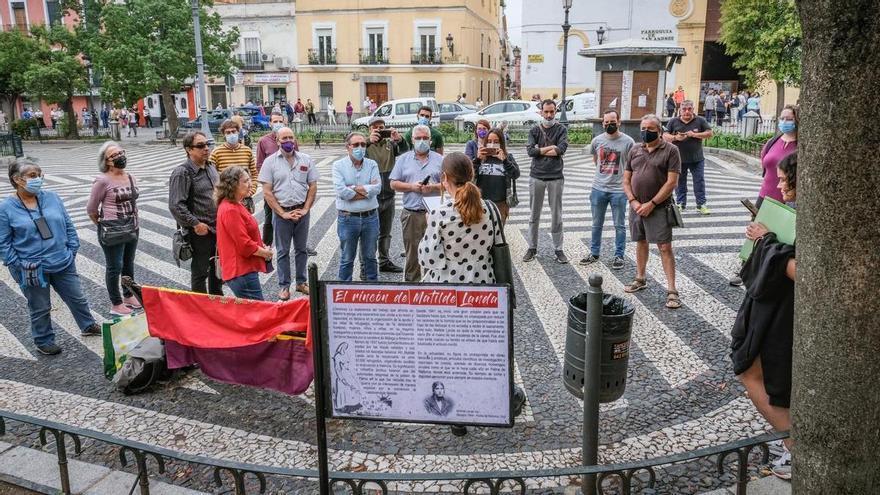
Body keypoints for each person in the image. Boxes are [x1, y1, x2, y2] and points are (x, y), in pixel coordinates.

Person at [730, 152, 797, 480]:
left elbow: (801, 271)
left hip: (782, 310)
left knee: (752, 370)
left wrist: (765, 240)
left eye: (785, 180)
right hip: (772, 304)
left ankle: (795, 448)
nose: (779, 184)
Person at [0, 158, 101, 355]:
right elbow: (3, 242)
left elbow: (68, 224)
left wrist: (72, 248)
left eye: (40, 175)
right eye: (32, 176)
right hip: (31, 267)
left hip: (62, 259)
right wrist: (17, 264)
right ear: (17, 180)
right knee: (40, 306)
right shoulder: (6, 208)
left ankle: (87, 324)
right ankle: (43, 339)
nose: (38, 179)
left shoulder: (52, 197)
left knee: (77, 297)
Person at [623, 114, 682, 309]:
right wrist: (632, 201)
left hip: (658, 207)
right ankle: (640, 278)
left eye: (650, 129)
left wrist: (652, 203)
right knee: (640, 241)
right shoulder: (635, 150)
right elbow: (626, 179)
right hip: (636, 206)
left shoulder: (671, 150)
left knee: (664, 247)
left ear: (659, 131)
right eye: (643, 128)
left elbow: (671, 182)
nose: (645, 132)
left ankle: (672, 290)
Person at [420, 151, 500, 283]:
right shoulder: (491, 208)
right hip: (483, 280)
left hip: (449, 281)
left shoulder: (439, 213)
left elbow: (429, 259)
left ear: (444, 177)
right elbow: (495, 244)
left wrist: (430, 223)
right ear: (472, 174)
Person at [258, 127, 319, 298]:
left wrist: (306, 208)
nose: (288, 141)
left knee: (301, 249)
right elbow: (267, 192)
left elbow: (313, 186)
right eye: (284, 138)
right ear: (277, 141)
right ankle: (284, 286)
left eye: (291, 137)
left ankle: (301, 282)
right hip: (282, 213)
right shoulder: (270, 162)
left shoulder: (306, 159)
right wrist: (282, 213)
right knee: (283, 251)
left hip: (301, 211)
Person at [87, 142, 141, 316]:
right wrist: (104, 225)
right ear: (107, 161)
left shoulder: (130, 176)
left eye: (121, 152)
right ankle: (116, 303)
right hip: (113, 229)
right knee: (114, 266)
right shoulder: (103, 180)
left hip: (132, 226)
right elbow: (92, 209)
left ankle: (128, 294)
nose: (120, 157)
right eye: (114, 155)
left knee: (128, 263)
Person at [168, 131, 223, 295]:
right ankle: (200, 307)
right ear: (188, 149)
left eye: (207, 144)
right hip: (200, 232)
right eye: (200, 146)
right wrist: (195, 224)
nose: (206, 148)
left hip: (217, 228)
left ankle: (217, 301)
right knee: (200, 272)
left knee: (217, 268)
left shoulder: (211, 167)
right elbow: (176, 205)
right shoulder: (182, 172)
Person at [390, 124, 443, 282]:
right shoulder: (403, 159)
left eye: (425, 138)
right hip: (412, 214)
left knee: (435, 251)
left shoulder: (440, 159)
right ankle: (412, 287)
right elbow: (393, 183)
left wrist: (432, 187)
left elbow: (448, 184)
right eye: (418, 138)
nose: (421, 141)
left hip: (434, 214)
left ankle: (433, 285)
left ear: (430, 140)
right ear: (412, 140)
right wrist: (412, 187)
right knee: (412, 254)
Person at [582, 109, 634, 269]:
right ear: (602, 123)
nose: (609, 125)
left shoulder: (628, 142)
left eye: (612, 122)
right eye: (606, 122)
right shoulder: (597, 140)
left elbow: (631, 165)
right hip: (598, 188)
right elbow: (595, 160)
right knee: (596, 223)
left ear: (618, 122)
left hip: (619, 190)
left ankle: (619, 255)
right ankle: (594, 252)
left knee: (619, 225)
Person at [215, 166, 274, 300]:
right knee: (258, 314)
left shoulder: (234, 204)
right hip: (241, 270)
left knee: (251, 313)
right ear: (233, 185)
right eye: (246, 181)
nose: (250, 184)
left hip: (242, 270)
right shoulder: (231, 209)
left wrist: (261, 245)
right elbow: (244, 244)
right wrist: (265, 253)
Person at [523, 99, 569, 264]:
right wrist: (550, 149)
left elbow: (561, 149)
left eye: (552, 111)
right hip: (536, 177)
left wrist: (540, 150)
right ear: (541, 112)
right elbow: (530, 151)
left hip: (556, 177)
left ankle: (558, 249)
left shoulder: (561, 129)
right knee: (533, 215)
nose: (549, 115)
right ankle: (532, 247)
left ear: (555, 111)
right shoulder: (534, 130)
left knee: (557, 215)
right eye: (546, 112)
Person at [333, 132, 381, 281]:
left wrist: (352, 187)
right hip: (348, 218)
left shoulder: (372, 164)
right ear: (348, 147)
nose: (360, 147)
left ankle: (372, 290)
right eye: (356, 145)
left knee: (370, 257)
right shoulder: (338, 165)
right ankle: (343, 292)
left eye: (363, 144)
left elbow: (377, 188)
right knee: (347, 258)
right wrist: (366, 191)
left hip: (370, 217)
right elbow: (342, 192)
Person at [366, 116, 407, 273]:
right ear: (369, 129)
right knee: (370, 233)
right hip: (372, 197)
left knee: (386, 233)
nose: (379, 130)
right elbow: (352, 149)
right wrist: (369, 140)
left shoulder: (390, 144)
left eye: (381, 127)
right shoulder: (365, 145)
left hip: (388, 196)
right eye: (375, 127)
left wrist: (400, 139)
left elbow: (405, 153)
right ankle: (369, 264)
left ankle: (384, 260)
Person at [664, 99, 714, 215]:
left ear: (693, 109)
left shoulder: (700, 120)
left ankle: (701, 204)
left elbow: (710, 133)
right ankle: (681, 203)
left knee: (699, 181)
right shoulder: (673, 121)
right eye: (684, 109)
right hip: (678, 159)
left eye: (689, 109)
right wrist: (676, 138)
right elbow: (665, 135)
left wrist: (695, 135)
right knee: (680, 182)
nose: (687, 112)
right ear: (680, 110)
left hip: (697, 159)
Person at [472, 128, 519, 225]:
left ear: (501, 143)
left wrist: (505, 161)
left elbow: (515, 174)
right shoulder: (482, 158)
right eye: (489, 141)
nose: (492, 144)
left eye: (496, 141)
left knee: (498, 233)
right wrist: (477, 160)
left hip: (500, 203)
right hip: (481, 202)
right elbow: (469, 176)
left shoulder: (508, 157)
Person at [210, 119, 258, 211]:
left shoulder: (247, 151)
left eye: (233, 131)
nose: (231, 134)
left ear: (238, 132)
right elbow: (212, 177)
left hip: (245, 200)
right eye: (228, 132)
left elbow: (254, 174)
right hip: (226, 200)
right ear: (224, 135)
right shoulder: (216, 152)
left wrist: (251, 190)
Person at [757, 105, 798, 208]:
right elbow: (764, 166)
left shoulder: (801, 146)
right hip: (764, 196)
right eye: (782, 118)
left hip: (787, 202)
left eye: (789, 119)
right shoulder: (772, 142)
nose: (784, 122)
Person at [256, 112, 286, 245]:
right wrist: (268, 185)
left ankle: (299, 244)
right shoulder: (264, 141)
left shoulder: (290, 139)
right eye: (275, 121)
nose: (278, 124)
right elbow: (259, 166)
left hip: (287, 187)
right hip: (271, 188)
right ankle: (267, 246)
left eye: (280, 121)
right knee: (269, 219)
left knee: (293, 217)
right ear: (270, 123)